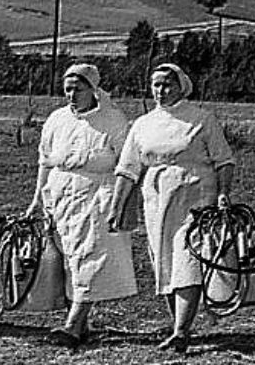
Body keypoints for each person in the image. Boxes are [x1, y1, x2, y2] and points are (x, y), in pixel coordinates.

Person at [112, 63, 235, 355]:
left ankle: (181, 331)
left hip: (194, 197)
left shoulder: (202, 119)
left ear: (182, 85)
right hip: (156, 200)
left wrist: (222, 194)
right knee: (164, 261)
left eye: (167, 84)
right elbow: (128, 168)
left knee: (187, 260)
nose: (161, 90)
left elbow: (224, 161)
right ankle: (178, 323)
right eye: (155, 84)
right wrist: (117, 206)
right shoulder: (142, 124)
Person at [25, 63, 138, 346]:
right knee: (66, 260)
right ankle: (80, 323)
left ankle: (73, 325)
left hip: (97, 196)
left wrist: (121, 202)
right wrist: (39, 197)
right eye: (68, 89)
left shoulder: (112, 120)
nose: (72, 94)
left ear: (93, 89)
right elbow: (44, 160)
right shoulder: (56, 119)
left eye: (78, 88)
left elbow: (127, 163)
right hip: (60, 195)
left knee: (89, 257)